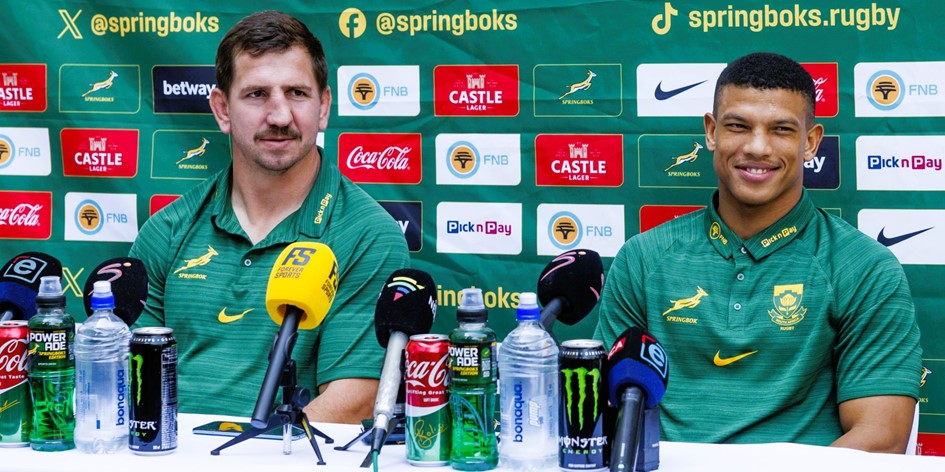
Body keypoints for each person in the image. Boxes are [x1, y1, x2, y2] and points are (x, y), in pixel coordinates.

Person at [594, 52, 922, 453]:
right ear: (711, 132)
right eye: (738, 126)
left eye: (781, 129)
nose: (757, 147)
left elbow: (881, 438)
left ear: (810, 142)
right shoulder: (643, 257)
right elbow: (605, 412)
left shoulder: (864, 267)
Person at [130, 10, 409, 424]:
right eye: (257, 94)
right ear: (222, 110)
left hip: (290, 454)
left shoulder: (367, 235)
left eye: (297, 93)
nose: (280, 116)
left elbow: (353, 400)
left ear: (323, 106)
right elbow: (132, 377)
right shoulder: (166, 231)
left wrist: (247, 453)